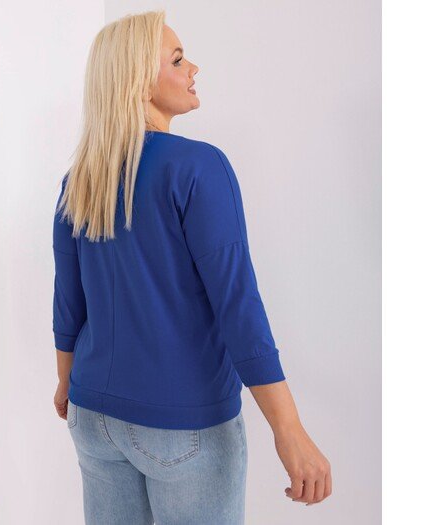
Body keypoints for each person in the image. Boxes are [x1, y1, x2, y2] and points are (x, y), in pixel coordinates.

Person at [52, 10, 331, 525]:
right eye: (178, 60)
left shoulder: (82, 177)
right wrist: (288, 429)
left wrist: (67, 384)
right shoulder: (198, 166)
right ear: (139, 81)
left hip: (93, 417)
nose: (193, 69)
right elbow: (238, 305)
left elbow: (69, 303)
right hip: (183, 425)